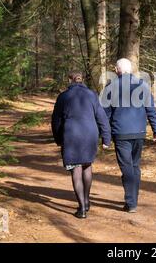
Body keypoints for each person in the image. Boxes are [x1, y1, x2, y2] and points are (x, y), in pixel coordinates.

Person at [103, 58, 156, 213]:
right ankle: (133, 199)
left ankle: (131, 201)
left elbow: (105, 114)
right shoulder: (142, 85)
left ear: (117, 70)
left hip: (121, 132)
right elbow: (151, 109)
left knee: (127, 167)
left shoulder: (111, 86)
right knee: (135, 166)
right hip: (139, 132)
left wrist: (105, 135)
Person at [51, 71, 111, 219]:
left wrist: (58, 138)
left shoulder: (63, 97)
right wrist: (106, 138)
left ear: (69, 80)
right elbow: (102, 117)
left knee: (75, 170)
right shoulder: (92, 95)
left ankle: (82, 208)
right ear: (82, 79)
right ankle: (87, 200)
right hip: (90, 135)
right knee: (87, 166)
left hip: (71, 135)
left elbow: (56, 121)